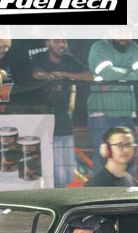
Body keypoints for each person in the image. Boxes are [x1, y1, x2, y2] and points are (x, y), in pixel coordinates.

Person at [30, 38, 94, 187]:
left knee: (65, 174)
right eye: (57, 41)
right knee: (46, 170)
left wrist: (65, 75)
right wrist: (50, 76)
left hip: (64, 121)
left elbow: (90, 75)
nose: (61, 45)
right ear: (47, 43)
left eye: (63, 41)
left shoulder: (68, 59)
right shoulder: (40, 58)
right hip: (43, 119)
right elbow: (35, 73)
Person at [87, 30, 138, 171]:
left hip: (125, 113)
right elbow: (107, 73)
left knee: (129, 158)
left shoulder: (133, 46)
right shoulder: (99, 47)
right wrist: (130, 71)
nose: (124, 35)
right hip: (101, 114)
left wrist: (117, 79)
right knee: (103, 158)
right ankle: (101, 193)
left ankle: (127, 191)